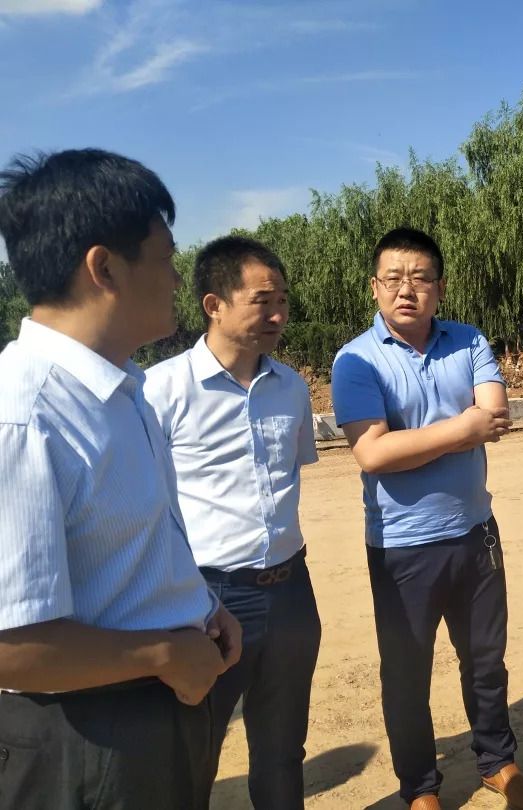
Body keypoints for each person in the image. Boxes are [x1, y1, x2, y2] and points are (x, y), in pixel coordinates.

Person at [0, 148, 241, 810]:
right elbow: (11, 646)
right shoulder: (24, 415)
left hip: (159, 708)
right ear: (104, 267)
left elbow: (130, 549)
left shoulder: (124, 389)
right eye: (166, 258)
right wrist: (164, 653)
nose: (178, 277)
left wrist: (201, 608)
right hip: (85, 734)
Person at [330, 227, 523, 810]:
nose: (407, 290)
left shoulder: (468, 339)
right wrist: (462, 428)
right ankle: (420, 787)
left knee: (485, 659)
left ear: (440, 287)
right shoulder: (356, 359)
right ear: (374, 287)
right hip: (402, 546)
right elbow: (373, 454)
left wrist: (421, 440)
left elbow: (494, 416)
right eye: (394, 279)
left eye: (420, 278)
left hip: (476, 533)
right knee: (407, 673)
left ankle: (497, 760)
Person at [143, 236, 320, 809]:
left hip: (291, 592)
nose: (278, 315)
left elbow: (289, 473)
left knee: (283, 749)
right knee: (193, 751)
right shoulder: (161, 390)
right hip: (208, 599)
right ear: (213, 305)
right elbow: (146, 501)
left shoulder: (291, 388)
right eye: (262, 301)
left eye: (283, 300)